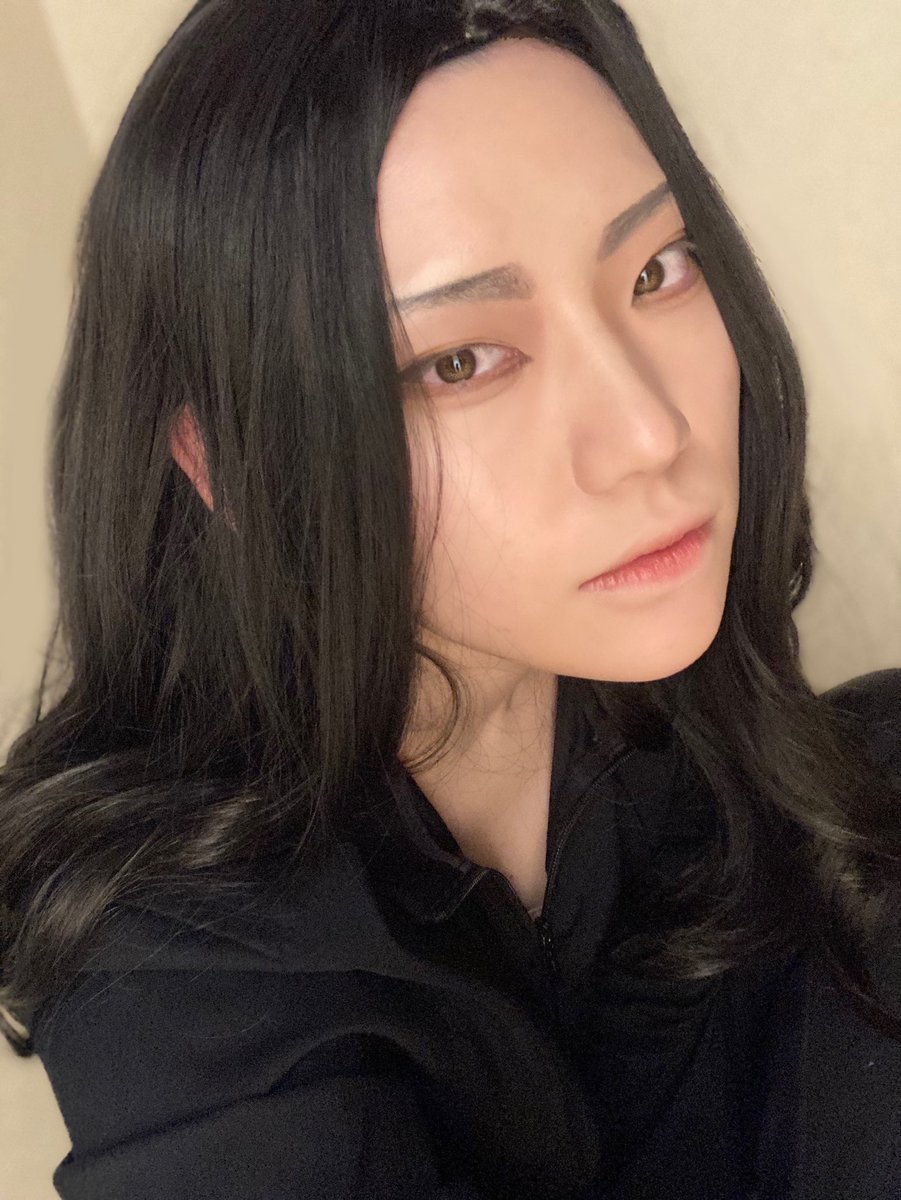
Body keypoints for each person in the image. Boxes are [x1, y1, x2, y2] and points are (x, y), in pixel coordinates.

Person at [1, 2, 900, 1197]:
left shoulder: (749, 750)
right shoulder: (183, 970)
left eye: (656, 269)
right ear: (234, 467)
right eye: (459, 361)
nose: (649, 430)